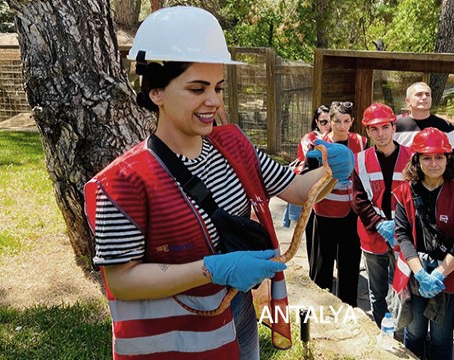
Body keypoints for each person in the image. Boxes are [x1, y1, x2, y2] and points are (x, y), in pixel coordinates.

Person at [83, 7, 354, 359]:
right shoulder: (124, 181)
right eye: (197, 88)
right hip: (175, 342)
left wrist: (332, 169)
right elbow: (121, 280)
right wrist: (211, 270)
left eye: (218, 87)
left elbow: (299, 191)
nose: (213, 101)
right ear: (156, 93)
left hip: (237, 316)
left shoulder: (234, 147)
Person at [392, 128, 454, 360]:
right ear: (416, 160)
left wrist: (439, 273)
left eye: (439, 157)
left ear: (448, 159)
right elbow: (403, 235)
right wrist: (421, 274)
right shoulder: (403, 193)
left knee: (441, 337)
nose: (433, 163)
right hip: (414, 274)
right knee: (414, 331)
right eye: (426, 157)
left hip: (447, 274)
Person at [350, 103, 412, 327]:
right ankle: (381, 330)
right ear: (367, 131)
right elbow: (358, 200)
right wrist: (379, 224)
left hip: (404, 236)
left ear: (394, 127)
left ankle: (402, 330)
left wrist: (400, 227)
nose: (381, 134)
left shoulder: (413, 158)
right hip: (373, 235)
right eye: (374, 129)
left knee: (403, 288)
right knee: (376, 291)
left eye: (385, 127)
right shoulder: (360, 160)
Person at [307, 101, 367, 306]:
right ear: (329, 121)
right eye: (337, 121)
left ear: (352, 122)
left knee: (349, 264)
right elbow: (308, 175)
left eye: (346, 121)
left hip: (352, 211)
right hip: (325, 210)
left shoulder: (361, 141)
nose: (342, 126)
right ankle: (319, 307)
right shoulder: (318, 143)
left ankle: (348, 308)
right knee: (322, 265)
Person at [282, 105, 331, 228]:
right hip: (310, 180)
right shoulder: (309, 138)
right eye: (323, 122)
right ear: (316, 122)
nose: (327, 125)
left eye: (331, 121)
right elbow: (310, 160)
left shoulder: (336, 137)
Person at [394, 82, 454, 165]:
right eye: (419, 94)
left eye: (427, 94)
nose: (424, 97)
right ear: (408, 101)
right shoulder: (397, 127)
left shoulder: (445, 126)